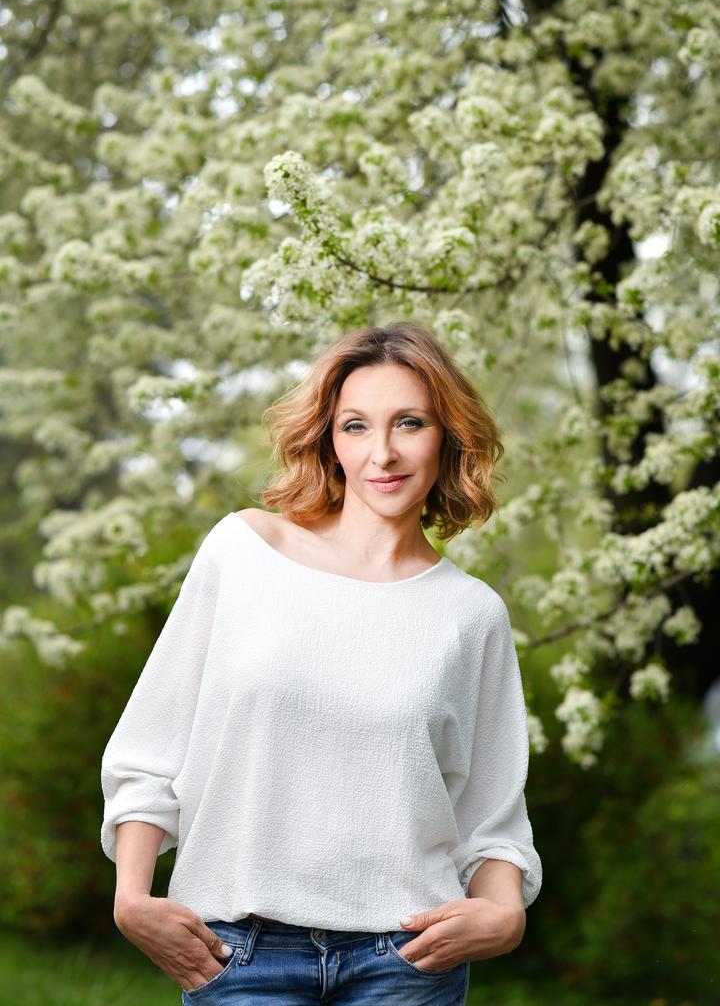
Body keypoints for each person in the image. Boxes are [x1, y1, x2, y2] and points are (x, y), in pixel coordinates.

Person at [100, 320, 542, 1005]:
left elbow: (492, 819)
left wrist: (506, 914)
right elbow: (151, 749)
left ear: (448, 436)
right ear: (330, 440)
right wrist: (132, 898)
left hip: (407, 961)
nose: (383, 453)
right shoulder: (243, 552)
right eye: (356, 426)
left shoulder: (472, 613)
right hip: (237, 953)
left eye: (410, 423)